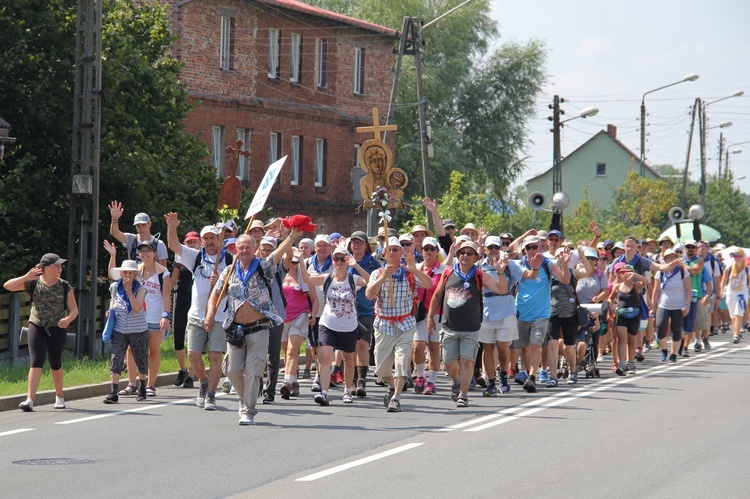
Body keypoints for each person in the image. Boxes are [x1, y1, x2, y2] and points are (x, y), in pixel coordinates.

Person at [205, 231, 299, 425]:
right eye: (241, 248)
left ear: (255, 249)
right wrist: (210, 313)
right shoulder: (229, 270)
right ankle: (243, 398)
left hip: (259, 328)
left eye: (248, 247)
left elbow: (279, 253)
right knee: (231, 370)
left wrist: (291, 236)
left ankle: (248, 409)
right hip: (235, 329)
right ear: (236, 250)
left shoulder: (264, 266)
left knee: (254, 370)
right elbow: (216, 294)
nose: (245, 251)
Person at [428, 240, 508, 407]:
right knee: (449, 363)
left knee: (466, 361)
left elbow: (501, 290)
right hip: (449, 326)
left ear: (475, 257)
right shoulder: (448, 272)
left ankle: (463, 395)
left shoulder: (479, 275)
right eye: (462, 253)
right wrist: (430, 318)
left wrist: (500, 273)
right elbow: (436, 296)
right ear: (458, 255)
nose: (465, 256)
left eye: (470, 253)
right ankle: (456, 382)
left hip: (471, 327)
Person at [165, 213, 231, 411]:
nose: (210, 242)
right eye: (206, 238)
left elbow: (237, 285)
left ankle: (211, 394)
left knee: (215, 356)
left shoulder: (229, 258)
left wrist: (221, 282)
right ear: (201, 241)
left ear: (219, 238)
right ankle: (203, 382)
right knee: (193, 356)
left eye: (213, 237)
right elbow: (173, 245)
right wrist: (172, 227)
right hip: (196, 315)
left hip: (219, 316)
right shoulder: (195, 256)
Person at [365, 237, 433, 412]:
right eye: (389, 250)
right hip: (383, 324)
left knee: (402, 362)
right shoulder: (378, 273)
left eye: (396, 249)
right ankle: (391, 385)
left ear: (402, 252)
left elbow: (429, 284)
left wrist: (415, 270)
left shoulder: (409, 272)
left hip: (405, 324)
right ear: (383, 253)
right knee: (381, 370)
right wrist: (383, 278)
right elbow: (369, 295)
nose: (393, 253)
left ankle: (396, 398)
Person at [4, 254, 78, 411]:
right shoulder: (33, 283)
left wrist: (67, 320)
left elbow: (74, 310)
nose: (60, 269)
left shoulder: (64, 286)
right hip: (36, 325)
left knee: (55, 362)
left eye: (60, 266)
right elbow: (8, 286)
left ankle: (60, 397)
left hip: (58, 327)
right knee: (36, 361)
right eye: (56, 265)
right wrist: (26, 276)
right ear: (45, 267)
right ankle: (29, 400)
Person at [300, 244, 370, 405]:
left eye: (342, 259)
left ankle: (347, 390)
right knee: (325, 357)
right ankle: (324, 393)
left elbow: (369, 280)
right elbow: (307, 279)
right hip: (328, 323)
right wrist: (302, 262)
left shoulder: (352, 279)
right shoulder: (327, 279)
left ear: (347, 260)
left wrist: (356, 265)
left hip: (349, 326)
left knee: (348, 360)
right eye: (336, 258)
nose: (339, 262)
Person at [105, 240, 172, 397]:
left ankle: (150, 384)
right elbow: (114, 276)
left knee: (152, 350)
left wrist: (166, 315)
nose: (145, 254)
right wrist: (113, 256)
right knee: (131, 349)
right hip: (132, 318)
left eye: (148, 251)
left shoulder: (163, 273)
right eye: (142, 251)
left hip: (155, 316)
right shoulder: (133, 270)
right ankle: (131, 383)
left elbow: (166, 296)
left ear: (155, 253)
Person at [507, 235, 570, 393]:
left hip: (541, 312)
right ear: (524, 250)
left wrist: (565, 265)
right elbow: (505, 253)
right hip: (521, 311)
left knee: (536, 345)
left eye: (535, 247)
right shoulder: (519, 265)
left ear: (541, 248)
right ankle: (528, 372)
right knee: (524, 347)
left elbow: (565, 280)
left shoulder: (548, 264)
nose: (531, 251)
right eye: (528, 248)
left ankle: (532, 376)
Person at [478, 236, 522, 395]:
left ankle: (503, 375)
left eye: (496, 247)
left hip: (507, 310)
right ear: (485, 249)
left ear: (501, 248)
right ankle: (491, 382)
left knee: (503, 348)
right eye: (490, 247)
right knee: (487, 347)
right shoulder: (479, 266)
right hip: (485, 311)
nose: (493, 250)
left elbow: (525, 277)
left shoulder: (510, 266)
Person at [103, 260, 149, 403]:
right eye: (125, 272)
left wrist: (129, 291)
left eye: (130, 273)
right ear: (121, 273)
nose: (127, 275)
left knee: (140, 359)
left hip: (138, 329)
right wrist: (110, 311)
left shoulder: (141, 289)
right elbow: (113, 301)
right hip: (119, 329)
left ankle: (142, 387)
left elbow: (136, 308)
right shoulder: (114, 287)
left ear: (135, 274)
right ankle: (113, 392)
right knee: (116, 358)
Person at [347, 231, 381, 397]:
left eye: (360, 242)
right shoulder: (344, 259)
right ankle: (353, 378)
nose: (357, 245)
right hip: (348, 310)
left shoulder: (372, 262)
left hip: (366, 309)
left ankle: (362, 380)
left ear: (366, 245)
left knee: (362, 344)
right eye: (354, 242)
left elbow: (374, 282)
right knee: (351, 346)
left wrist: (356, 266)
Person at [412, 236, 445, 395]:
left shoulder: (444, 269)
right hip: (420, 314)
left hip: (439, 314)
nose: (429, 252)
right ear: (422, 251)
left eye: (432, 249)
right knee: (418, 346)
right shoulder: (417, 267)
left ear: (437, 251)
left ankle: (432, 381)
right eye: (426, 249)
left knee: (434, 348)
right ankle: (420, 376)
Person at [609, 263, 650, 375]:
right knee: (622, 339)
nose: (625, 275)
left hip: (634, 315)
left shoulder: (636, 285)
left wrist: (634, 274)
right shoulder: (617, 286)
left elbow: (646, 282)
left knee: (632, 341)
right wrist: (611, 308)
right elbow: (610, 298)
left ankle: (631, 363)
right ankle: (622, 365)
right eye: (622, 273)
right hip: (621, 314)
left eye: (627, 273)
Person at [651, 249, 692, 362]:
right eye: (668, 257)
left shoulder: (683, 271)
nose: (671, 259)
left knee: (676, 329)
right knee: (660, 326)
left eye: (673, 257)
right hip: (663, 304)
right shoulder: (661, 272)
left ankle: (673, 354)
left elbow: (688, 289)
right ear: (665, 260)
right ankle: (664, 350)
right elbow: (656, 291)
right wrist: (653, 306)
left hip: (679, 305)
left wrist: (687, 304)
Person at [172, 230, 201, 388]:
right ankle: (182, 369)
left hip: (197, 303)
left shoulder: (204, 259)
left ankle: (191, 374)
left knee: (193, 339)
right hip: (182, 300)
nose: (192, 244)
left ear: (200, 243)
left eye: (194, 241)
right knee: (178, 339)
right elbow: (172, 280)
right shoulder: (180, 258)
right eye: (189, 242)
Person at [108, 201, 168, 266]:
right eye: (138, 226)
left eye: (143, 225)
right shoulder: (131, 239)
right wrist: (115, 219)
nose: (141, 229)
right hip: (133, 275)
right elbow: (115, 233)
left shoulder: (159, 244)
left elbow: (163, 269)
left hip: (152, 275)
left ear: (149, 224)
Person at [721, 248, 749, 344]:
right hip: (731, 294)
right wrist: (721, 292)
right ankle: (737, 331)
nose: (737, 258)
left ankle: (736, 335)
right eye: (735, 256)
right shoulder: (729, 268)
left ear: (743, 257)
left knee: (738, 314)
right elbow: (724, 281)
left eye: (739, 256)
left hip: (742, 294)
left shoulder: (747, 269)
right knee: (733, 316)